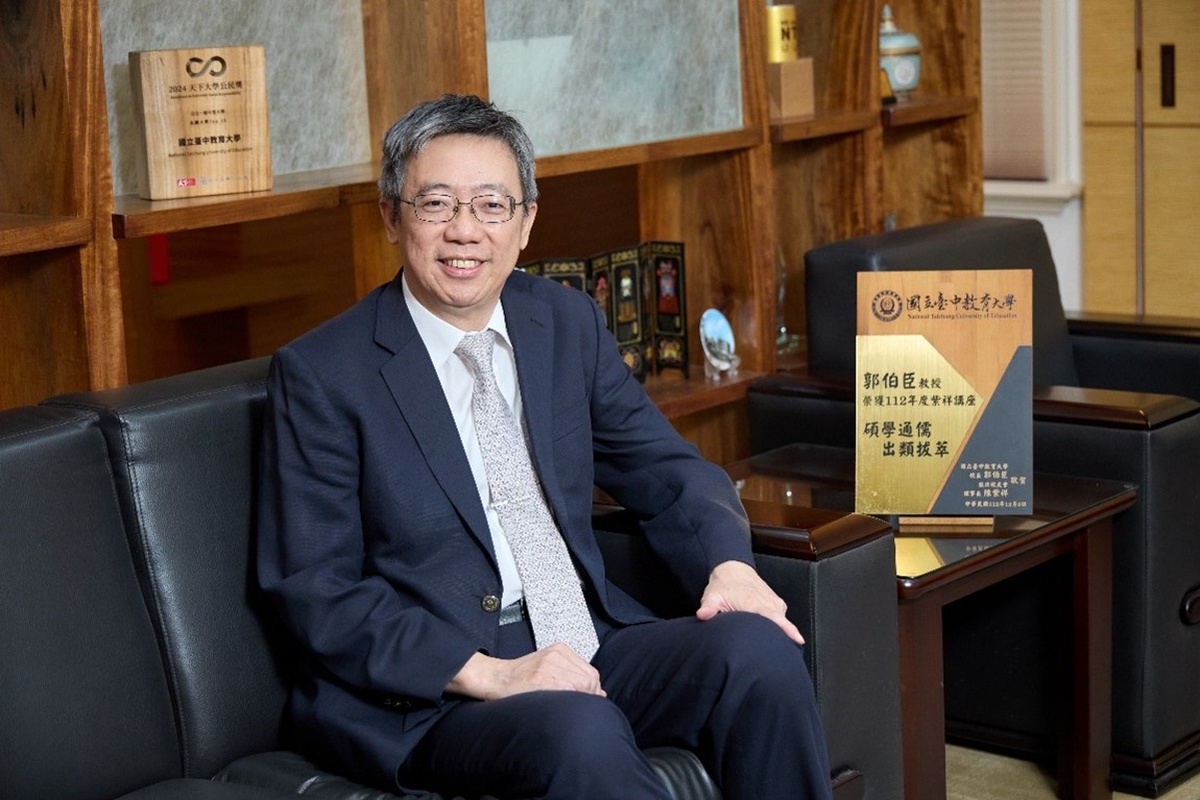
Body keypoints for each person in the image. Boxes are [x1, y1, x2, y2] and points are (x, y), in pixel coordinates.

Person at [256, 93, 832, 800]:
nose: (465, 231)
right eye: (435, 204)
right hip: (439, 694)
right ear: (391, 216)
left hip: (585, 636)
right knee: (579, 730)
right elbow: (316, 589)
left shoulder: (561, 321)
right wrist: (492, 673)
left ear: (526, 221)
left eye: (491, 205)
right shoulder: (323, 373)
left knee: (758, 652)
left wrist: (729, 566)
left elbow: (665, 468)